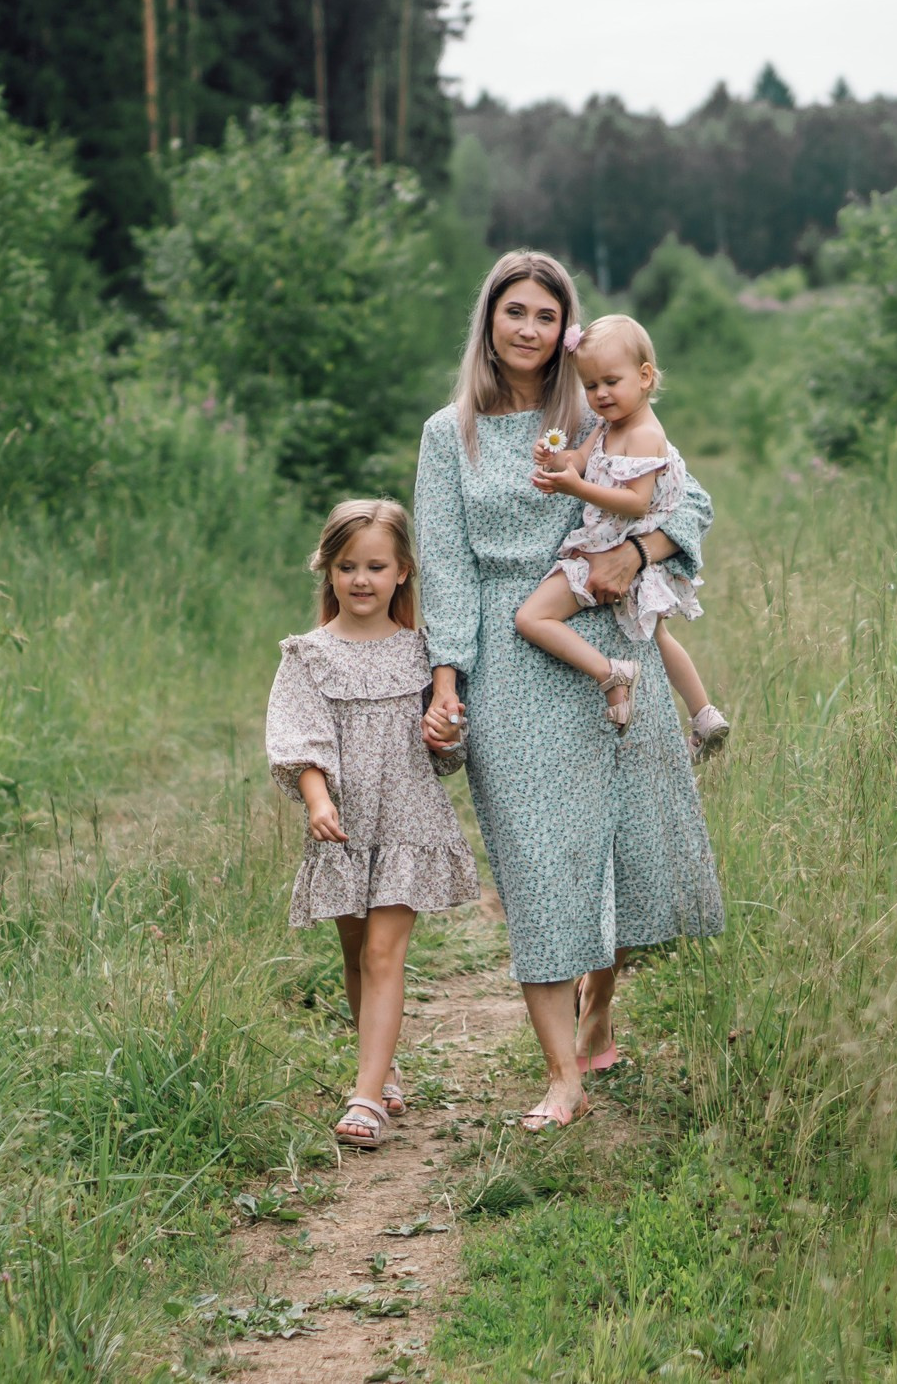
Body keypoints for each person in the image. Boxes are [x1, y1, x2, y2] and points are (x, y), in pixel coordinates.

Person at [414, 251, 724, 1133]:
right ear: (489, 319)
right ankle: (562, 1076)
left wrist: (637, 552)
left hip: (605, 646)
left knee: (619, 851)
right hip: (511, 665)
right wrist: (447, 680)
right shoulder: (449, 434)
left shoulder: (597, 407)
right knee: (540, 868)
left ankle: (598, 1014)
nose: (528, 328)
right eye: (514, 311)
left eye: (545, 316)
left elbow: (689, 502)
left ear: (566, 331)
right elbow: (445, 564)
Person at [266, 498, 479, 1151]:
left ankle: (364, 1099)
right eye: (347, 566)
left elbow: (450, 748)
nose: (361, 579)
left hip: (408, 819)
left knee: (384, 954)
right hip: (344, 825)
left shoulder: (425, 653)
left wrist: (445, 731)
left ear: (403, 571)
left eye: (376, 567)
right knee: (357, 955)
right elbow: (298, 739)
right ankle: (381, 1070)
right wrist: (317, 800)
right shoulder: (308, 656)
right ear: (327, 571)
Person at [513, 313, 730, 755]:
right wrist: (556, 461)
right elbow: (579, 461)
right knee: (659, 637)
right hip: (616, 546)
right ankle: (704, 714)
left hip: (617, 550)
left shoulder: (645, 435)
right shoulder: (608, 426)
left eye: (611, 381)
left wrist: (575, 489)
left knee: (531, 618)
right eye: (591, 385)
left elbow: (636, 501)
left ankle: (610, 673)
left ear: (645, 376)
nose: (601, 395)